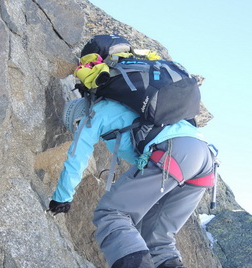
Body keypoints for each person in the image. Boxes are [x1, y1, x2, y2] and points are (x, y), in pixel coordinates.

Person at [48, 95, 215, 268]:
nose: (77, 129)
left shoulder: (92, 116)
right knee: (156, 238)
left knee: (112, 214)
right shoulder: (124, 104)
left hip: (174, 151)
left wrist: (62, 197)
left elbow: (76, 159)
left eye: (75, 126)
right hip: (205, 161)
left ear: (77, 117)